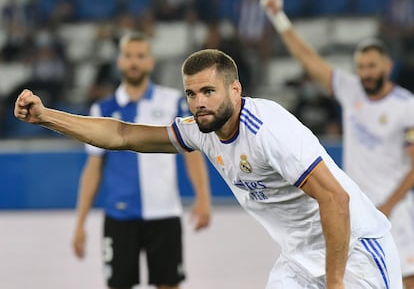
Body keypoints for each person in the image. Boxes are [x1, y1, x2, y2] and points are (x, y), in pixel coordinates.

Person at [15, 49, 402, 289]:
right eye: (191, 93)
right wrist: (46, 116)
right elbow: (121, 134)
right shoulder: (203, 132)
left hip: (355, 251)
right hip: (299, 259)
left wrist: (335, 282)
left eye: (208, 91)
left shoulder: (268, 130)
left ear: (235, 90)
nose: (198, 102)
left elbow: (335, 198)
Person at [260, 0, 414, 288]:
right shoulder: (350, 90)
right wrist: (279, 18)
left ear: (387, 66)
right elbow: (308, 59)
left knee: (404, 280)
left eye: (371, 66)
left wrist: (390, 204)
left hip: (397, 211)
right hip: (354, 211)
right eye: (361, 67)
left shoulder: (407, 106)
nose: (365, 73)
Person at [71, 32, 212, 289]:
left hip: (164, 212)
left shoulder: (172, 103)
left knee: (169, 284)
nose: (134, 62)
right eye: (128, 56)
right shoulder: (101, 110)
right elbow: (93, 170)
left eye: (140, 56)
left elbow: (192, 155)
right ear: (119, 62)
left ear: (150, 62)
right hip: (119, 216)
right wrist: (80, 223)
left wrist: (203, 198)